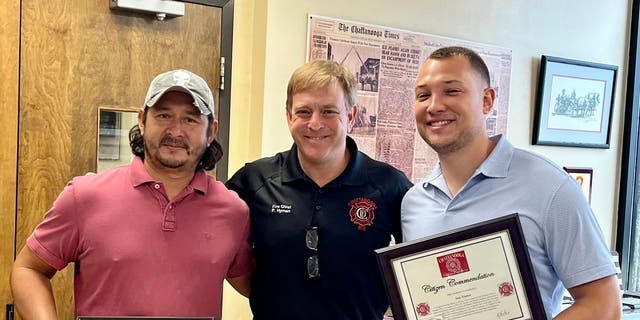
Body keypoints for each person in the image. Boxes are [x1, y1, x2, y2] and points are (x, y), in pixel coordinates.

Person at [10, 69, 254, 318]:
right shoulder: (85, 196)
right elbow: (29, 269)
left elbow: (261, 287)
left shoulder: (233, 212)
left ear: (211, 131)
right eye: (163, 115)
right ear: (142, 120)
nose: (176, 131)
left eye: (190, 119)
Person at [401, 46, 621, 319]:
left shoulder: (550, 187)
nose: (434, 106)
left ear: (487, 101)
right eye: (423, 95)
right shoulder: (413, 202)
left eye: (452, 91)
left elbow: (605, 306)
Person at [226, 60, 412, 319]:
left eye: (328, 112)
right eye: (303, 112)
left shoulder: (388, 185)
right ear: (289, 116)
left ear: (350, 115)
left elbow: (418, 264)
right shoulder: (254, 180)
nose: (315, 124)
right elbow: (219, 245)